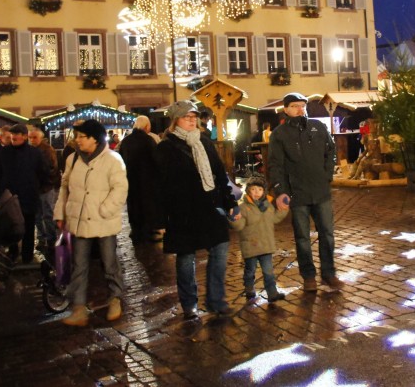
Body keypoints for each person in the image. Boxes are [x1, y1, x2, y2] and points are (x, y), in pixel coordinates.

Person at [156, 100, 238, 319]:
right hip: (183, 211)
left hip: (209, 206)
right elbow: (159, 185)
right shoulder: (166, 147)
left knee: (220, 247)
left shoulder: (204, 142)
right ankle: (189, 303)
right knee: (186, 257)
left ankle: (216, 300)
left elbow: (219, 174)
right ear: (175, 121)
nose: (192, 120)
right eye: (187, 117)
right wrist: (161, 219)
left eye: (194, 117)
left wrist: (230, 201)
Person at [267, 92, 343, 292]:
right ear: (286, 109)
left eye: (302, 105)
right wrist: (280, 191)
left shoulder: (317, 127)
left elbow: (331, 150)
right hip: (297, 192)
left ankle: (329, 273)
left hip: (320, 190)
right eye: (295, 106)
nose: (300, 109)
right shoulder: (279, 134)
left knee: (327, 234)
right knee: (302, 238)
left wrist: (327, 174)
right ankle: (308, 276)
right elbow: (275, 165)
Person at [54, 119, 128, 326]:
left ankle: (115, 298)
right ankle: (78, 308)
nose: (77, 140)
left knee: (109, 262)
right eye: (76, 136)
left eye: (82, 136)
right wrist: (61, 214)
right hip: (78, 220)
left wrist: (105, 210)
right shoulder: (72, 159)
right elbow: (65, 188)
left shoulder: (113, 159)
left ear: (95, 138)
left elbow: (120, 188)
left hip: (103, 221)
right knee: (79, 265)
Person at [0, 123, 49, 264]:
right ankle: (12, 253)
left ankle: (27, 256)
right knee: (10, 226)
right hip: (9, 197)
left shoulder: (34, 153)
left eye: (17, 134)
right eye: (12, 134)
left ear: (24, 136)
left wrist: (35, 187)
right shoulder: (3, 153)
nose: (13, 137)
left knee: (28, 227)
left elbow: (43, 172)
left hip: (28, 196)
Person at [229, 176, 288, 302]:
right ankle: (249, 289)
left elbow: (275, 218)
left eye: (260, 189)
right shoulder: (243, 208)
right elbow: (240, 226)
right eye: (253, 189)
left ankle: (272, 293)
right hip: (251, 246)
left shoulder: (268, 206)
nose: (256, 192)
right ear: (248, 190)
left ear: (264, 191)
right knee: (250, 271)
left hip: (266, 245)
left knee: (268, 272)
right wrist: (234, 219)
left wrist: (283, 209)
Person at [117, 115, 163, 243]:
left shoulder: (126, 141)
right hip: (148, 180)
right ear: (146, 126)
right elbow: (156, 160)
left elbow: (121, 160)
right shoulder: (149, 140)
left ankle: (136, 230)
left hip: (130, 179)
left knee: (133, 204)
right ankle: (147, 231)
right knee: (147, 205)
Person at [28, 128, 60, 256]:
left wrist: (44, 180)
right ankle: (42, 237)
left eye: (34, 137)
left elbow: (52, 168)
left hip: (45, 187)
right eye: (30, 137)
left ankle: (51, 238)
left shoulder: (47, 150)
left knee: (47, 214)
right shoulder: (30, 150)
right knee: (37, 215)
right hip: (36, 188)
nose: (32, 140)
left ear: (41, 138)